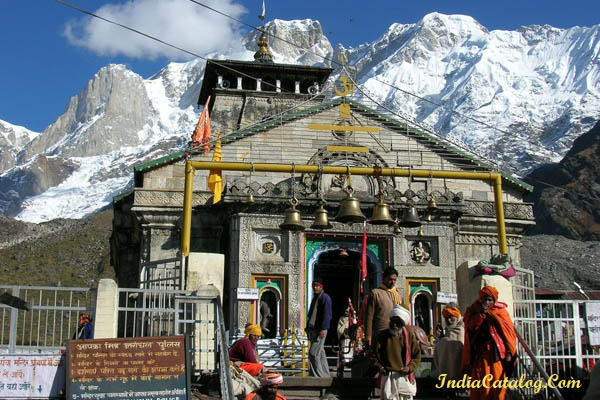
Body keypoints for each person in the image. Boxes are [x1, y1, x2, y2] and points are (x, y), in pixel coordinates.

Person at [461, 286, 517, 400]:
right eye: (485, 299)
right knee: (480, 383)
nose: (487, 302)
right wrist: (481, 314)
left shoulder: (500, 312)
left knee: (497, 383)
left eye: (490, 300)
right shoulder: (474, 310)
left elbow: (508, 334)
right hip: (480, 354)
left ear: (494, 301)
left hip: (496, 354)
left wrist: (508, 352)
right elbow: (471, 327)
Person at [369, 305, 421, 400]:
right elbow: (372, 355)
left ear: (403, 324)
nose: (394, 325)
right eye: (393, 322)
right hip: (388, 376)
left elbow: (416, 355)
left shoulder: (409, 334)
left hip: (404, 377)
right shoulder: (382, 336)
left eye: (397, 323)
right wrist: (380, 367)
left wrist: (410, 368)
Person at [431, 303, 464, 396]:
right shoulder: (449, 332)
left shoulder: (462, 330)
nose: (449, 320)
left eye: (451, 317)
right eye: (446, 318)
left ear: (458, 316)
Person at [365, 267, 403, 346]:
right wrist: (368, 336)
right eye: (390, 279)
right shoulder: (375, 293)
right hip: (380, 335)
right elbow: (369, 317)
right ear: (384, 278)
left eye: (394, 280)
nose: (393, 282)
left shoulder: (397, 295)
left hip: (396, 334)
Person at [306, 279, 332, 377]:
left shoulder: (325, 298)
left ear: (321, 287)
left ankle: (317, 376)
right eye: (314, 286)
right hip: (314, 329)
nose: (315, 288)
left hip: (321, 329)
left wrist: (323, 328)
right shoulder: (315, 298)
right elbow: (311, 315)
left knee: (313, 353)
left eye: (317, 286)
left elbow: (327, 315)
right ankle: (325, 375)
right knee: (320, 353)